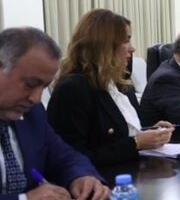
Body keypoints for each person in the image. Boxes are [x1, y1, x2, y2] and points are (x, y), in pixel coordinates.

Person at [0, 27, 109, 200]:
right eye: (30, 84)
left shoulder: (32, 114)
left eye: (44, 87)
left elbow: (65, 157)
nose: (36, 98)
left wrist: (82, 177)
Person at [47, 9, 173, 167]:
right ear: (104, 46)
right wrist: (136, 143)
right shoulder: (73, 90)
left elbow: (117, 134)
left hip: (135, 173)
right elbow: (71, 159)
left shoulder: (121, 86)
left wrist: (151, 133)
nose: (132, 48)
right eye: (126, 41)